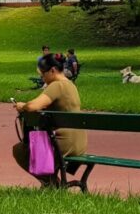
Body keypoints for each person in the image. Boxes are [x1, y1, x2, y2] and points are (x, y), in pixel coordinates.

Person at [12, 53, 87, 186]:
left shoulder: (57, 85)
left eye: (43, 74)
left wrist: (22, 106)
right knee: (40, 145)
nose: (43, 78)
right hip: (79, 143)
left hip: (63, 144)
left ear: (52, 70)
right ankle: (52, 181)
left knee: (19, 150)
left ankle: (50, 183)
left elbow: (33, 106)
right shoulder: (71, 85)